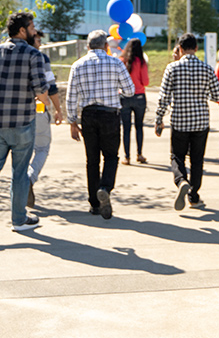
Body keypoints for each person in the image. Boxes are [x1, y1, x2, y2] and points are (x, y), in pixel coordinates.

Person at [0, 11, 55, 242]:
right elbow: (41, 90)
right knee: (19, 172)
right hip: (22, 125)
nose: (34, 32)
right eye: (32, 27)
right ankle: (18, 220)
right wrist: (46, 102)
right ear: (22, 30)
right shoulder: (33, 54)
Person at [65, 30, 135, 220]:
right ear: (106, 46)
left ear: (88, 46)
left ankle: (94, 204)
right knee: (111, 156)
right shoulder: (115, 63)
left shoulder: (77, 65)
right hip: (109, 114)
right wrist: (115, 90)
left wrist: (72, 121)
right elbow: (130, 90)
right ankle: (105, 188)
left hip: (88, 116)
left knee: (92, 160)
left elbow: (71, 97)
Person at [155, 33, 219, 210]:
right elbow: (218, 95)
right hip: (201, 121)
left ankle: (181, 181)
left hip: (180, 121)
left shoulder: (172, 68)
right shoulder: (207, 68)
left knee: (177, 156)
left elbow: (164, 97)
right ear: (197, 48)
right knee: (197, 159)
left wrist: (159, 118)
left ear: (179, 48)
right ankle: (194, 195)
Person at [27, 30, 63, 208]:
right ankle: (30, 178)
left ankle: (19, 189)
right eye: (38, 40)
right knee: (42, 147)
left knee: (22, 151)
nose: (40, 44)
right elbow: (52, 87)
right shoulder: (41, 58)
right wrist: (58, 109)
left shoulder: (11, 56)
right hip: (38, 105)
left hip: (15, 110)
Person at [119, 38, 150, 166]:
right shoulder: (141, 62)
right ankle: (139, 154)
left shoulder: (122, 61)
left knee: (126, 128)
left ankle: (127, 156)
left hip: (124, 97)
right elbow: (146, 82)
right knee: (139, 126)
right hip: (139, 97)